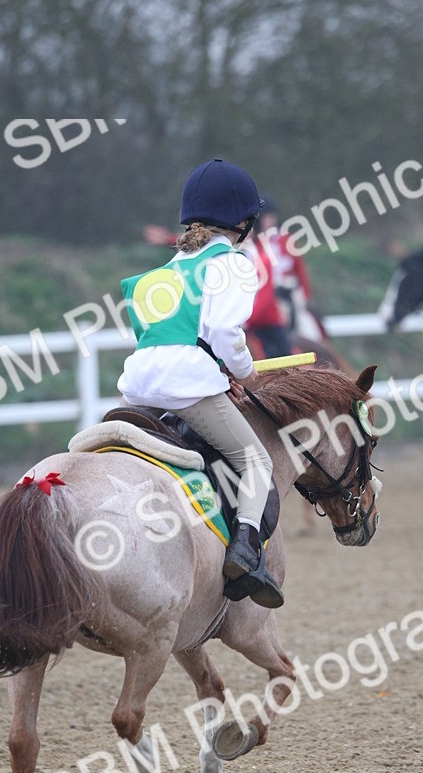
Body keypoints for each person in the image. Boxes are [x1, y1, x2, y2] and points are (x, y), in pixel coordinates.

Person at [118, 158, 283, 608]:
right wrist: (244, 372)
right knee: (257, 461)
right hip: (186, 386)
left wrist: (218, 371)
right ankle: (245, 550)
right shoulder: (233, 264)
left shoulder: (161, 272)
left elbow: (174, 337)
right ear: (244, 222)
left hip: (138, 386)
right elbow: (225, 333)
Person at [245, 198, 312, 359]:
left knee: (303, 324)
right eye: (264, 218)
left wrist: (305, 294)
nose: (267, 221)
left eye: (269, 217)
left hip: (284, 292)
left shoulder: (285, 239)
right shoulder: (252, 245)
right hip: (258, 295)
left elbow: (300, 270)